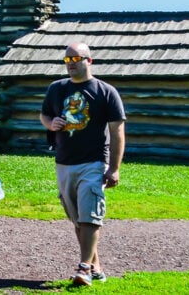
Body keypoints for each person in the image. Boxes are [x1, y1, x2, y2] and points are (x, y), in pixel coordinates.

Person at [40, 42, 126, 287]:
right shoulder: (56, 89)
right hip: (64, 162)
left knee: (90, 215)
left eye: (76, 59)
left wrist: (114, 168)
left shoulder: (105, 91)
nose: (71, 64)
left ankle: (84, 268)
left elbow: (118, 131)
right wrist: (50, 123)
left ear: (89, 61)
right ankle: (96, 267)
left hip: (94, 161)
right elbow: (44, 114)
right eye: (67, 60)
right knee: (78, 220)